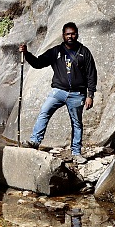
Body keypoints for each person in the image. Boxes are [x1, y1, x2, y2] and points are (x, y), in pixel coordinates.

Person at [18, 22, 97, 164]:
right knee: (44, 112)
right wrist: (26, 54)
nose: (70, 36)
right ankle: (35, 141)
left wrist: (90, 95)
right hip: (58, 91)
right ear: (63, 35)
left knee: (77, 123)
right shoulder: (55, 52)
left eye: (73, 33)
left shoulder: (84, 52)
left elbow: (92, 74)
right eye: (67, 34)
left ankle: (76, 152)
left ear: (77, 34)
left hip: (77, 94)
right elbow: (38, 63)